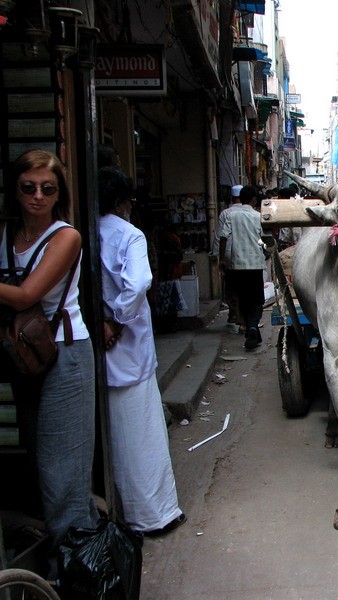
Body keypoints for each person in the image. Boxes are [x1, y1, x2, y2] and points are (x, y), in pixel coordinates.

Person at [0, 149, 99, 556]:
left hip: (66, 355)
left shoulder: (66, 236)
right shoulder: (6, 234)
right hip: (24, 357)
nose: (37, 196)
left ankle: (82, 569)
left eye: (47, 189)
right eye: (29, 187)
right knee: (42, 464)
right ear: (16, 189)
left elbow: (27, 295)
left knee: (65, 476)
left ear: (59, 195)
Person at [98, 166, 186, 536]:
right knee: (141, 434)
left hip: (103, 348)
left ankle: (122, 510)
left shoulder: (82, 232)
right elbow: (138, 283)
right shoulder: (127, 235)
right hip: (124, 346)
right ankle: (153, 515)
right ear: (123, 203)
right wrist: (118, 320)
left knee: (117, 435)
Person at [219, 185, 265, 349]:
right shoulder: (258, 216)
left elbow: (223, 237)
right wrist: (263, 249)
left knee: (244, 299)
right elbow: (263, 239)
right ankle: (252, 327)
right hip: (255, 263)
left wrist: (222, 258)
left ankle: (251, 331)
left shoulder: (231, 215)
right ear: (253, 200)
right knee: (258, 300)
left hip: (237, 264)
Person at [210, 184, 243, 333]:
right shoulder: (250, 212)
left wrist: (217, 256)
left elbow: (219, 236)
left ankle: (233, 313)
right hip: (246, 255)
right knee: (244, 287)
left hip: (228, 254)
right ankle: (241, 316)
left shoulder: (225, 213)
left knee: (231, 286)